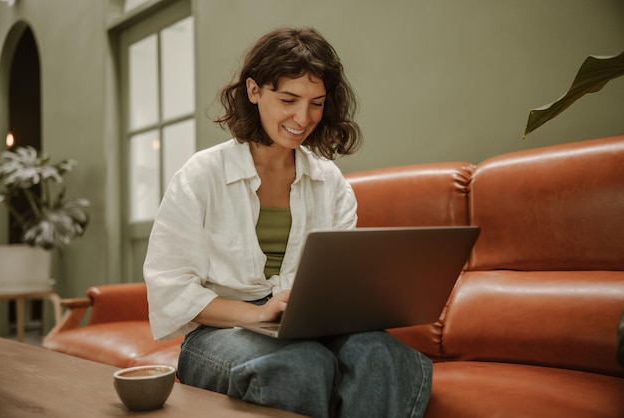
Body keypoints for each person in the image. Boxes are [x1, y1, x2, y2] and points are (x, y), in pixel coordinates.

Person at [143, 27, 432, 418]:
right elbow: (170, 289)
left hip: (306, 327)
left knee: (381, 353)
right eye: (288, 99)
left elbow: (338, 279)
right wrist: (257, 312)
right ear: (253, 91)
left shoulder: (330, 182)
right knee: (299, 363)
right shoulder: (201, 176)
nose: (303, 118)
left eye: (316, 103)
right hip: (219, 336)